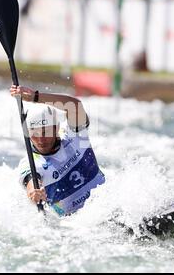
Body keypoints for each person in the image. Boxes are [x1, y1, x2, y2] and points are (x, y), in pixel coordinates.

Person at [10, 85, 106, 216]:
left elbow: (74, 106)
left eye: (45, 132)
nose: (40, 139)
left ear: (56, 128)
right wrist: (34, 192)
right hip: (77, 223)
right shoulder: (30, 164)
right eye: (34, 134)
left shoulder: (75, 136)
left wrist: (35, 97)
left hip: (106, 205)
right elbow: (32, 183)